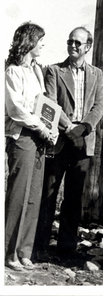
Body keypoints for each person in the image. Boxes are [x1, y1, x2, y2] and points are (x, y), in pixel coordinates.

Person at [34, 27, 103, 260]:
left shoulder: (97, 74)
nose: (72, 46)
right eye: (70, 41)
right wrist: (70, 129)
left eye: (78, 43)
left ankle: (66, 247)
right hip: (59, 141)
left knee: (74, 197)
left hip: (84, 143)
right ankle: (40, 245)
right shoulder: (55, 71)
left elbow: (99, 106)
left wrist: (83, 128)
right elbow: (51, 103)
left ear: (88, 47)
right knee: (48, 194)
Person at [5, 22, 56, 271]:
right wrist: (40, 126)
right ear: (30, 41)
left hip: (40, 138)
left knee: (34, 196)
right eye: (41, 40)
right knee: (18, 195)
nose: (43, 45)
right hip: (23, 136)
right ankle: (8, 251)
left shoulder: (37, 71)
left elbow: (42, 104)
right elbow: (16, 110)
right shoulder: (12, 72)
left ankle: (25, 251)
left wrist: (51, 129)